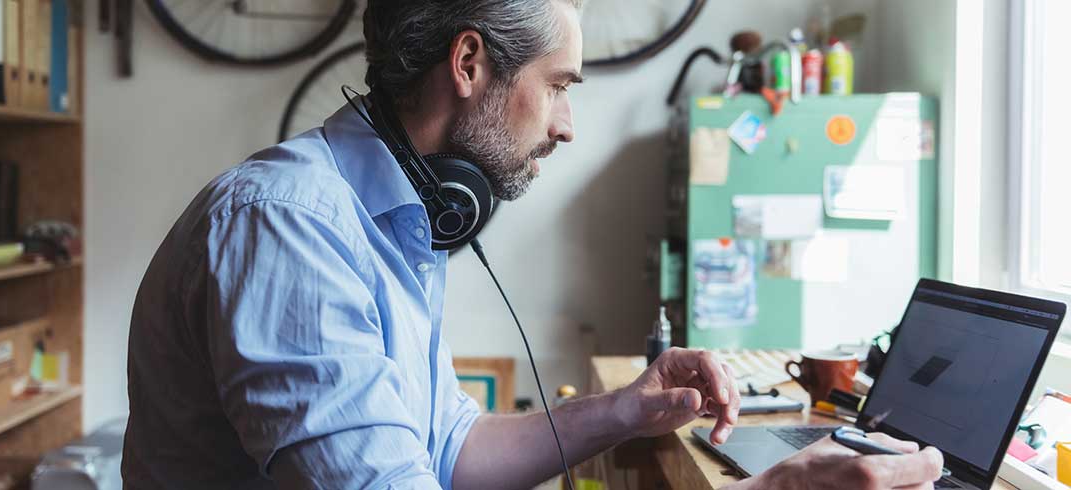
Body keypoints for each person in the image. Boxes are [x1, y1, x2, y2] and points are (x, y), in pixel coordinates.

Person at [121, 1, 945, 489]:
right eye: (557, 86)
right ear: (470, 62)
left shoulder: (399, 219)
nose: (566, 124)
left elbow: (450, 449)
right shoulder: (290, 227)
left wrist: (627, 409)